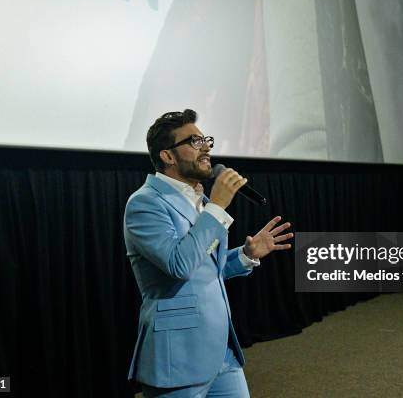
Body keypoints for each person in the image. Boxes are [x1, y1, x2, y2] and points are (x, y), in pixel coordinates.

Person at [124, 109, 293, 397]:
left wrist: (245, 255)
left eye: (206, 141)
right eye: (194, 142)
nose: (206, 148)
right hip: (178, 357)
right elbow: (179, 265)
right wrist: (216, 208)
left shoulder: (201, 200)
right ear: (168, 156)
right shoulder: (145, 204)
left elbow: (205, 270)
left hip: (222, 353)